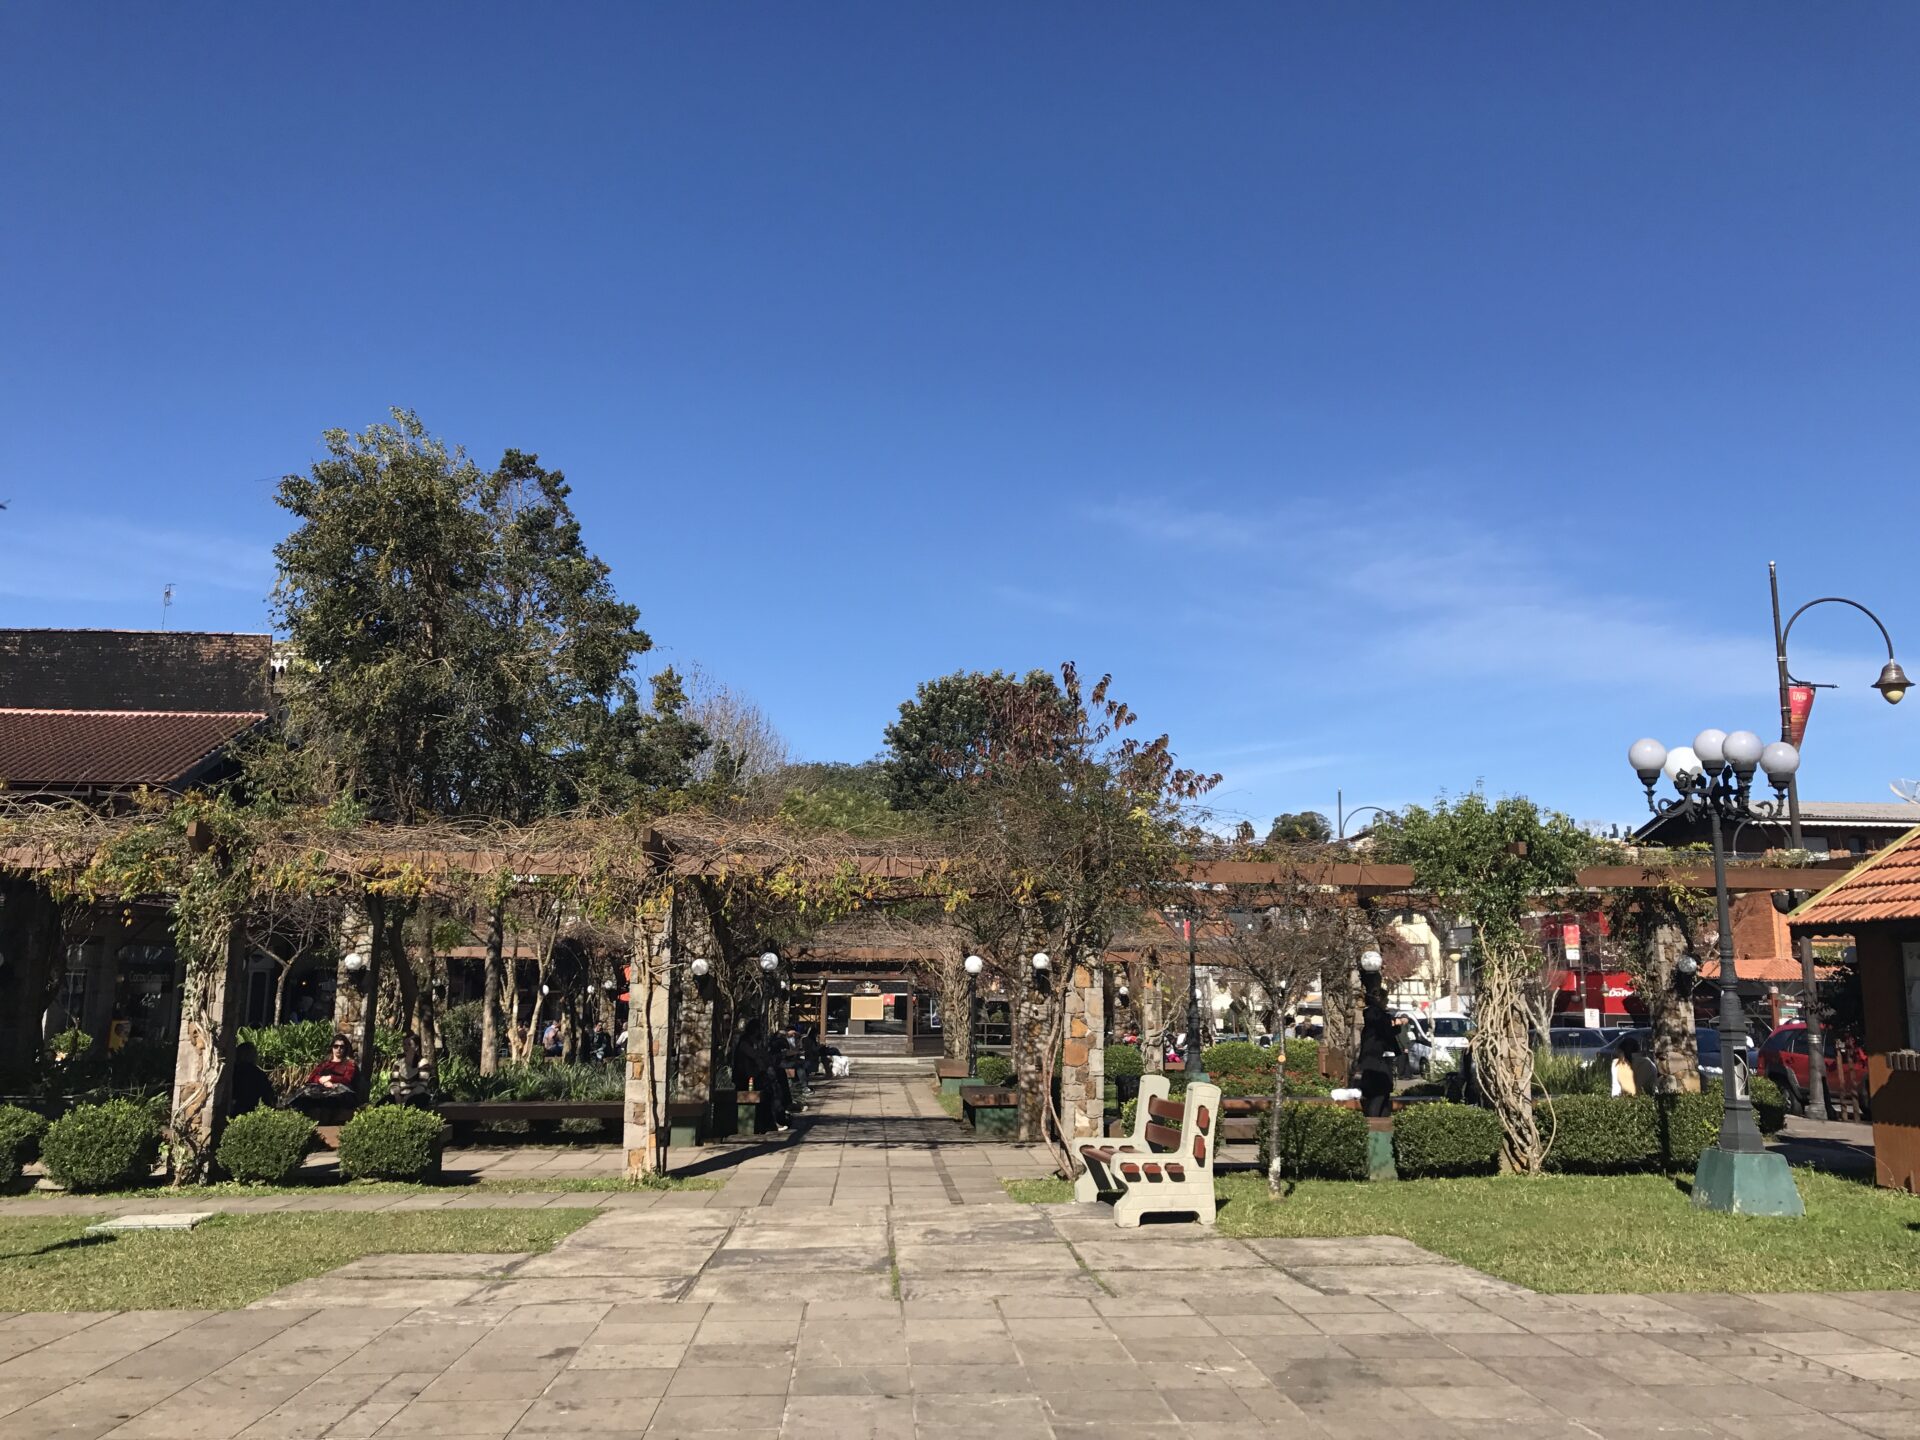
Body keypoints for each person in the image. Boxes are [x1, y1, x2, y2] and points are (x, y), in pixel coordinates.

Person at [283, 1034, 358, 1112]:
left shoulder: (349, 1064)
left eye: (341, 1047)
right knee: (304, 1096)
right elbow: (311, 1077)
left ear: (345, 1048)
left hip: (340, 1091)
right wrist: (322, 1081)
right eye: (336, 1046)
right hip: (321, 1088)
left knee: (331, 1099)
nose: (338, 1049)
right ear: (332, 1048)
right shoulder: (325, 1064)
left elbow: (347, 1079)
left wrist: (331, 1078)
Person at [1354, 985, 1398, 1118]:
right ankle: (1374, 1126)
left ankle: (1381, 1126)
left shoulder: (1373, 1016)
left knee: (1381, 1096)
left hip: (1372, 1062)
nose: (1387, 1002)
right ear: (1379, 999)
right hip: (1375, 1063)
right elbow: (1385, 1032)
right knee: (1379, 1095)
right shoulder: (1376, 1015)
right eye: (1385, 999)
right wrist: (1396, 1026)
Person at [230, 1040, 276, 1114]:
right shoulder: (258, 1074)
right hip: (254, 1110)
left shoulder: (232, 1071)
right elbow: (267, 1094)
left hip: (236, 1109)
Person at [387, 1032, 432, 1107]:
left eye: (409, 1044)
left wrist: (407, 1097)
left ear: (416, 1047)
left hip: (417, 1096)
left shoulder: (422, 1063)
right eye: (404, 1044)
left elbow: (422, 1086)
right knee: (383, 1103)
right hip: (400, 1095)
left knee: (412, 1103)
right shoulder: (397, 1063)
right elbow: (394, 1083)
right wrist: (397, 1096)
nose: (406, 1047)